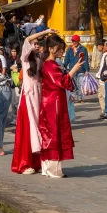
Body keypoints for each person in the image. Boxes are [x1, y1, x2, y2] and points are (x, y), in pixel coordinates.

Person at [39, 34, 80, 178]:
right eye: (59, 49)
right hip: (53, 103)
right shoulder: (50, 65)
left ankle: (48, 167)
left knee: (50, 132)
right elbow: (62, 82)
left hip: (51, 101)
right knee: (54, 133)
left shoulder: (50, 64)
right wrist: (74, 69)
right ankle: (53, 169)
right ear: (51, 49)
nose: (61, 52)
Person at [11, 28, 51, 174]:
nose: (35, 45)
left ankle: (35, 162)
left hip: (38, 97)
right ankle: (23, 164)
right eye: (34, 44)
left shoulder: (39, 58)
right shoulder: (26, 58)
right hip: (28, 98)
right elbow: (27, 40)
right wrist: (44, 31)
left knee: (38, 129)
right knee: (28, 130)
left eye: (37, 44)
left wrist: (47, 37)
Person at [63, 34, 89, 106]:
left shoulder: (83, 49)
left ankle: (80, 98)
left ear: (78, 41)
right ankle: (73, 97)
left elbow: (85, 59)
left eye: (75, 41)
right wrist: (64, 66)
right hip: (72, 69)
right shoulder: (70, 49)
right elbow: (67, 59)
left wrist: (87, 70)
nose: (74, 42)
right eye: (72, 41)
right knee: (72, 85)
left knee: (80, 84)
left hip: (81, 69)